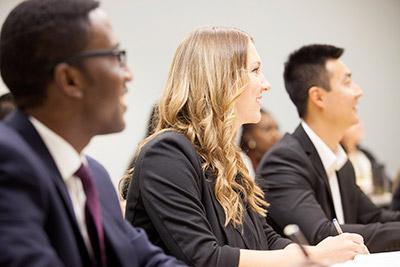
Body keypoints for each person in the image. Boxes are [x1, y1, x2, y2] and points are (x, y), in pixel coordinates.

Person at [123, 27, 368, 267]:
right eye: (255, 71)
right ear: (221, 79)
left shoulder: (226, 158)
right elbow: (204, 257)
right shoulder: (167, 154)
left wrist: (318, 252)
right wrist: (312, 257)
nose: (266, 84)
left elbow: (264, 239)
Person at [0, 0, 185, 266]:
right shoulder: (8, 161)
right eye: (116, 56)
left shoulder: (94, 176)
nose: (128, 74)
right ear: (70, 80)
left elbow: (147, 260)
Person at [257, 44, 400, 253]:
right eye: (347, 82)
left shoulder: (340, 162)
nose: (358, 92)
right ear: (318, 97)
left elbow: (375, 217)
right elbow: (321, 235)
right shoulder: (283, 161)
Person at [341, 122, 392, 196]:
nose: (359, 126)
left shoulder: (366, 154)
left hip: (378, 199)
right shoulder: (339, 158)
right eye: (353, 124)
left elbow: (386, 180)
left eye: (359, 123)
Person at [239, 108, 282, 177]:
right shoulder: (241, 166)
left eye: (277, 128)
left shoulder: (282, 163)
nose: (277, 135)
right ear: (248, 136)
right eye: (267, 129)